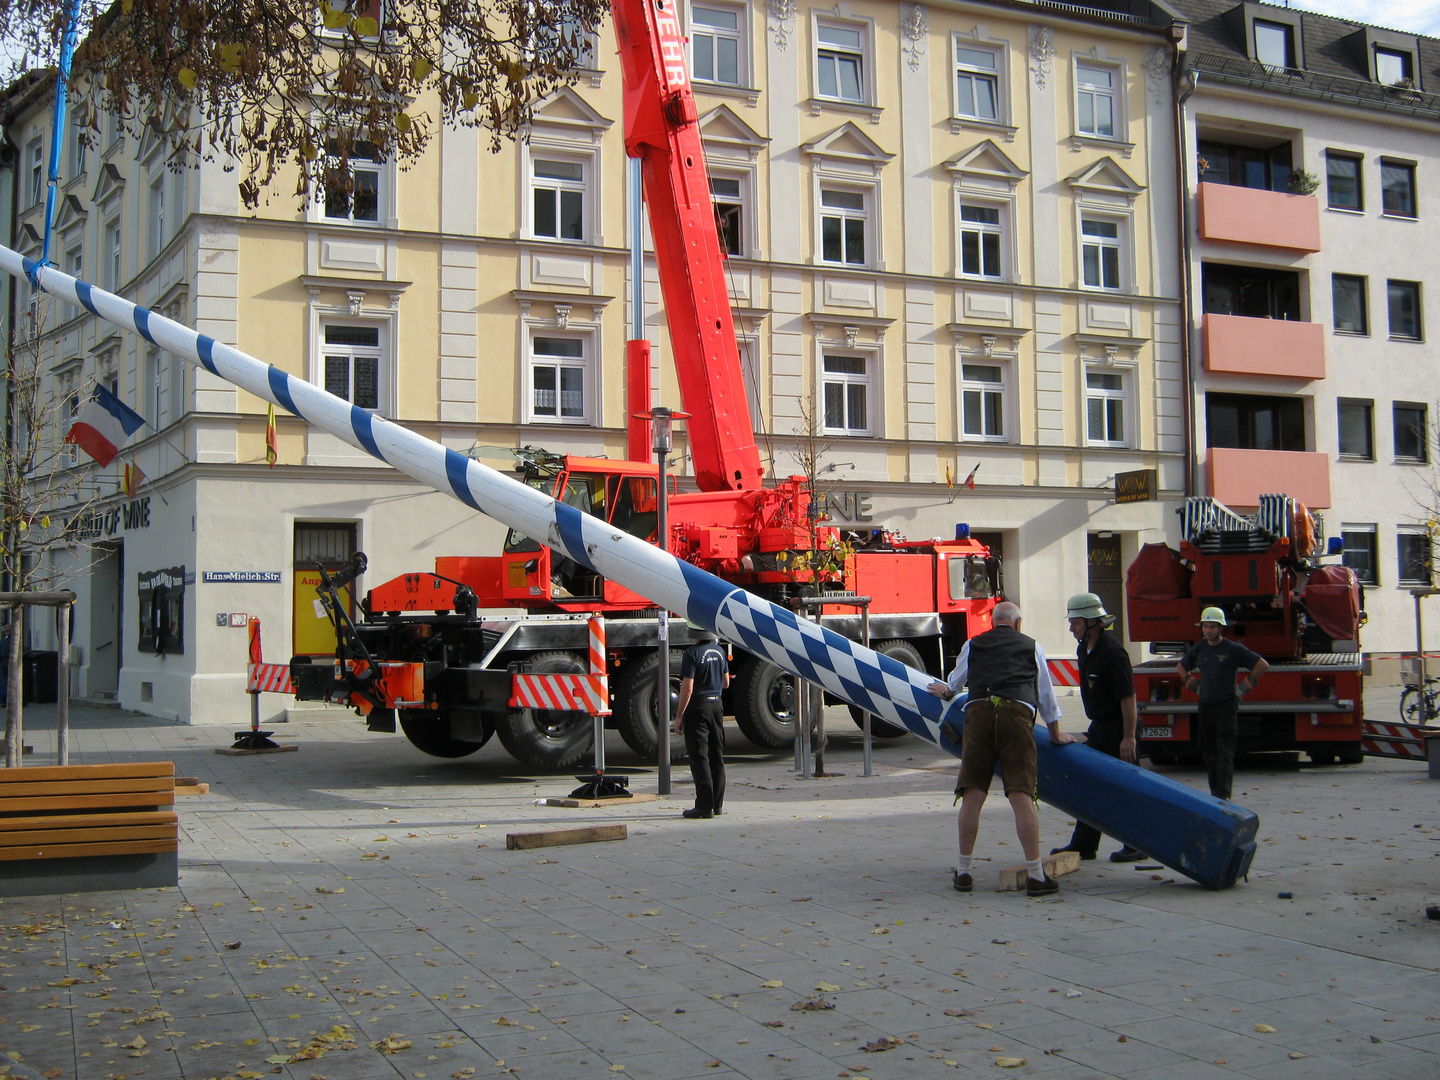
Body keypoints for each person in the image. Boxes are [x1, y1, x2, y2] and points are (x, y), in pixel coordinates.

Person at [927, 601, 1076, 898]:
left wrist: (945, 691)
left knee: (973, 794)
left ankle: (965, 872)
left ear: (994, 623)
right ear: (1018, 623)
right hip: (1016, 716)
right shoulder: (1032, 646)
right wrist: (1057, 735)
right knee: (1021, 794)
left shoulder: (974, 643)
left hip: (978, 714)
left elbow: (954, 683)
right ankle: (1035, 875)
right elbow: (1046, 698)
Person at [1050, 593, 1144, 864]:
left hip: (1119, 728)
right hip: (1100, 727)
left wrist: (1128, 737)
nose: (1071, 628)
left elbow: (1128, 697)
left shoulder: (1113, 653)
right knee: (1090, 784)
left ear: (1093, 623)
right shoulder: (1084, 649)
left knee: (1126, 787)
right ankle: (1084, 845)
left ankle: (1137, 843)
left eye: (1076, 622)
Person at [1176, 607, 1270, 801]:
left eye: (1213, 627)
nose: (1208, 630)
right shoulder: (1199, 649)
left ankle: (1223, 796)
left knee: (1224, 753)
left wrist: (1242, 688)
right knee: (1209, 752)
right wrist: (1194, 686)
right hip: (1206, 707)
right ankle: (1214, 794)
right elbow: (1181, 667)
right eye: (1206, 626)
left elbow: (1262, 665)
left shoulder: (1233, 649)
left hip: (1226, 706)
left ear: (1221, 628)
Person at [673, 623, 730, 819]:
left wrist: (679, 715)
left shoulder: (691, 654)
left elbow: (687, 688)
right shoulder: (720, 651)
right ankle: (718, 804)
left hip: (698, 706)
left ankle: (704, 806)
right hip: (716, 706)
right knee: (717, 754)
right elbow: (726, 682)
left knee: (699, 756)